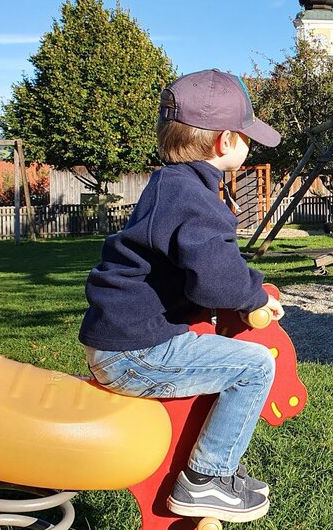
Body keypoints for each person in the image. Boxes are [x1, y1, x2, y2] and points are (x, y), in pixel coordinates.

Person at [78, 69, 284, 523]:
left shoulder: (171, 185)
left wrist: (245, 283)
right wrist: (254, 299)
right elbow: (213, 279)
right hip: (135, 353)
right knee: (254, 367)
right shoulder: (194, 199)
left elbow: (206, 261)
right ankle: (208, 479)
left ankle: (213, 466)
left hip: (122, 341)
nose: (249, 147)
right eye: (248, 137)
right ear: (225, 141)